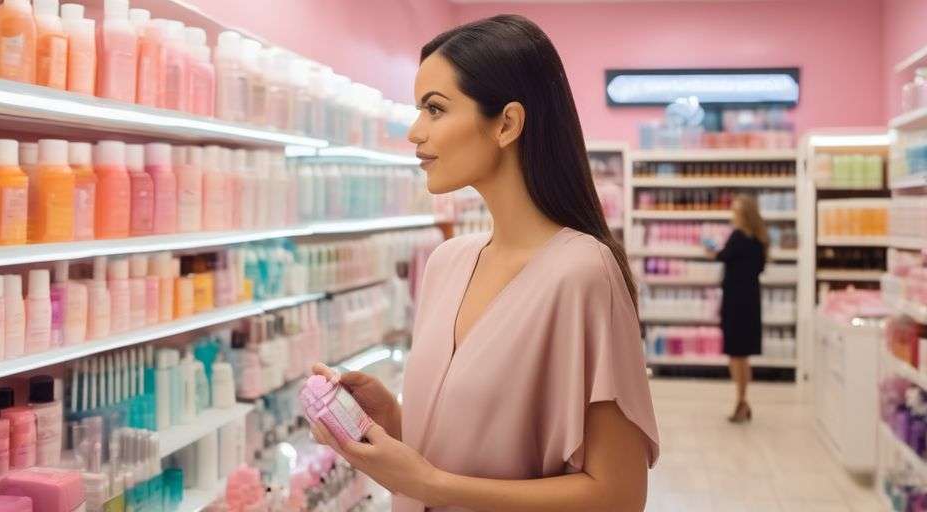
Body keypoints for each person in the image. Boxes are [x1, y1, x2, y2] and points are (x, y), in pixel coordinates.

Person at [308, 14, 659, 512]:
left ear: (507, 123)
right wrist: (392, 420)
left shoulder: (582, 273)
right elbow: (475, 452)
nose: (414, 131)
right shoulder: (447, 262)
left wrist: (430, 484)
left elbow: (619, 495)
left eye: (434, 109)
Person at [710, 194, 768, 423]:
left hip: (735, 300)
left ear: (742, 214)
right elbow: (759, 268)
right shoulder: (760, 240)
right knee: (743, 355)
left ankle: (741, 402)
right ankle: (743, 399)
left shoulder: (737, 237)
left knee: (735, 354)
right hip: (751, 300)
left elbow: (722, 256)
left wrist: (711, 251)